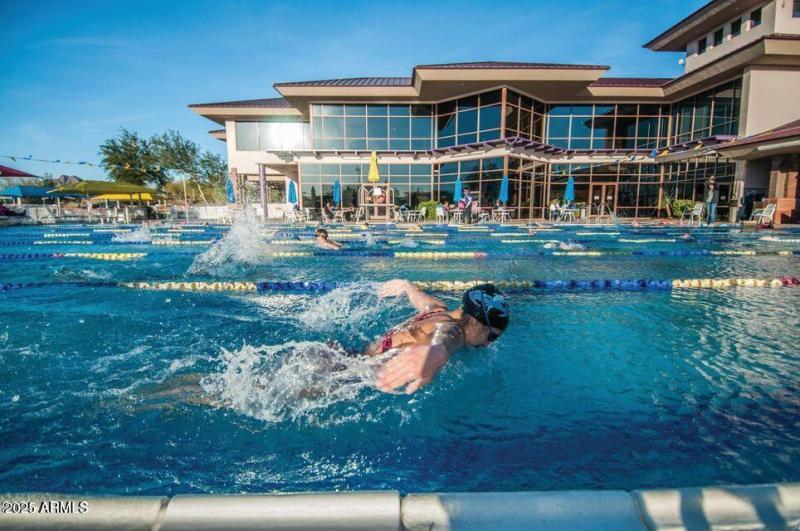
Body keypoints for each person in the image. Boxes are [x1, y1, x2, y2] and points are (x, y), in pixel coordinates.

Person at [370, 280, 510, 394]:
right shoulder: (453, 329)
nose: (487, 344)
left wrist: (406, 285)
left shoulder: (437, 308)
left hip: (365, 355)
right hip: (366, 373)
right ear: (476, 322)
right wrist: (439, 350)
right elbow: (448, 334)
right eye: (491, 337)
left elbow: (416, 294)